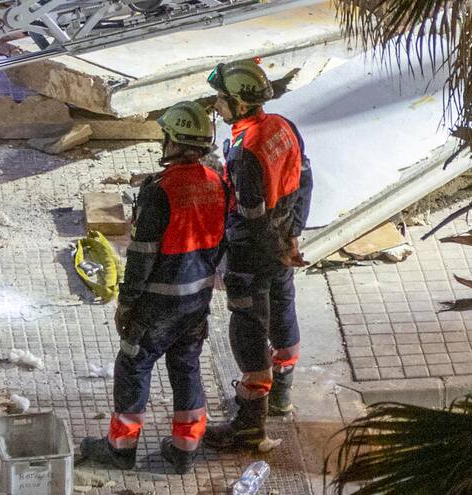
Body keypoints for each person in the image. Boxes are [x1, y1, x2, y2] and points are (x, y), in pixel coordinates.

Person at [80, 101, 228, 474]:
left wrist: (127, 302)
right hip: (197, 299)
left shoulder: (160, 190)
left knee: (132, 365)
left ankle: (121, 448)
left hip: (158, 304)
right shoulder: (217, 183)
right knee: (187, 365)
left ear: (174, 142)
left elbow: (143, 256)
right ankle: (185, 448)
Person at [203, 59, 313, 451]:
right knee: (283, 312)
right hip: (282, 239)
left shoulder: (245, 150)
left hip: (255, 253)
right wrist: (292, 238)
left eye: (221, 99)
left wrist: (267, 254)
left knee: (248, 328)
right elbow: (305, 178)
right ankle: (282, 395)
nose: (216, 105)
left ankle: (250, 425)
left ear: (240, 103)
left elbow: (251, 215)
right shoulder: (281, 127)